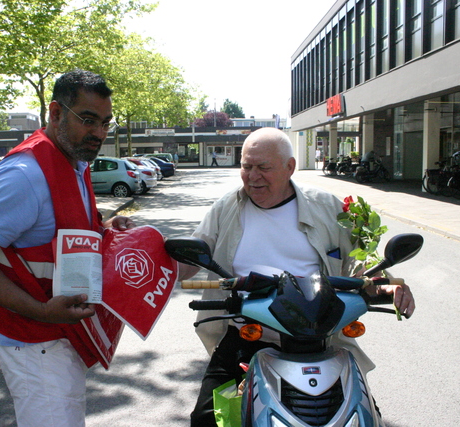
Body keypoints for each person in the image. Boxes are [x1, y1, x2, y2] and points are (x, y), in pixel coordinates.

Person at [177, 127, 416, 426]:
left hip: (318, 341)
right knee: (205, 420)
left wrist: (388, 287)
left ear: (290, 167)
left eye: (263, 167)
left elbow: (362, 262)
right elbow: (187, 258)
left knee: (364, 416)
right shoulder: (227, 207)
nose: (253, 176)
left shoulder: (329, 207)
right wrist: (140, 252)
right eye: (246, 166)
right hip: (246, 336)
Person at [0, 70, 135, 427]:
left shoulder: (74, 163)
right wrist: (41, 311)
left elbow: (61, 237)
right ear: (55, 113)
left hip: (60, 338)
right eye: (88, 120)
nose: (99, 133)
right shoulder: (24, 174)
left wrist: (107, 230)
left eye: (106, 123)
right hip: (36, 343)